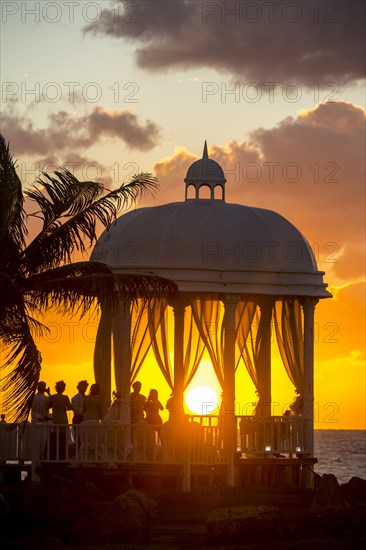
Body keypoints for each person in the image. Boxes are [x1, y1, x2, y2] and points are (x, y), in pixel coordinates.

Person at [49, 380, 72, 460]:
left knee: (55, 439)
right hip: (63, 420)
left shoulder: (52, 397)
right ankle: (62, 457)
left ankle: (55, 456)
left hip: (55, 420)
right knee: (63, 440)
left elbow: (48, 405)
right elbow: (70, 407)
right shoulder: (65, 398)